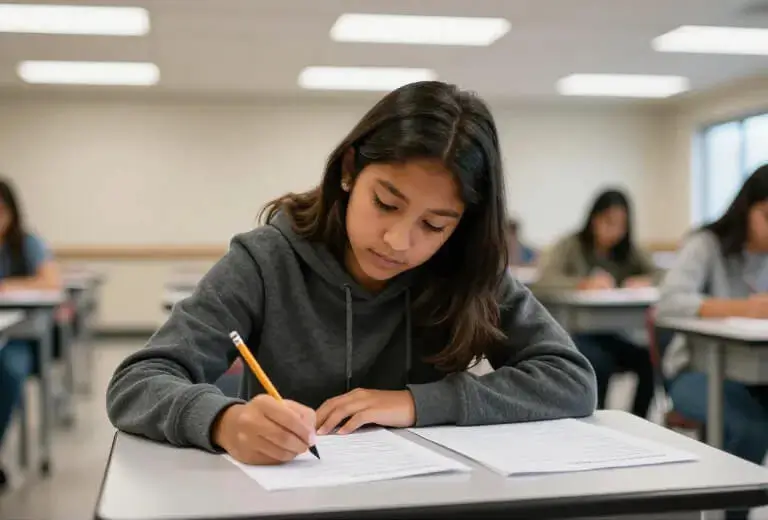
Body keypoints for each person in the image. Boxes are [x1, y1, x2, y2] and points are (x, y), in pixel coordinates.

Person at [106, 81, 597, 466]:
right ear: (348, 171)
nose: (398, 241)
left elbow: (571, 379)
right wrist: (224, 421)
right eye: (385, 203)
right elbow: (138, 381)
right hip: (291, 499)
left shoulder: (465, 270)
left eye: (433, 225)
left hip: (424, 497)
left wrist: (416, 404)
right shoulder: (266, 261)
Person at [657, 163, 768, 520]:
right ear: (746, 208)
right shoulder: (705, 244)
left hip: (756, 374)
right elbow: (668, 303)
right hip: (696, 371)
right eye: (767, 216)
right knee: (751, 428)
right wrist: (743, 308)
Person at [536, 188, 660, 418]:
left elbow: (662, 274)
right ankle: (598, 421)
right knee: (598, 362)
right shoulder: (570, 245)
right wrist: (581, 283)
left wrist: (646, 280)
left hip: (614, 334)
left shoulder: (628, 250)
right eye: (609, 222)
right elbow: (544, 281)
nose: (614, 231)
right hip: (575, 334)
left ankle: (639, 419)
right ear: (594, 219)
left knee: (650, 360)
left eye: (621, 225)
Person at [0, 178, 61, 491]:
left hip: (20, 338)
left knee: (9, 370)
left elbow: (51, 282)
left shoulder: (27, 243)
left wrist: (7, 285)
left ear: (12, 212)